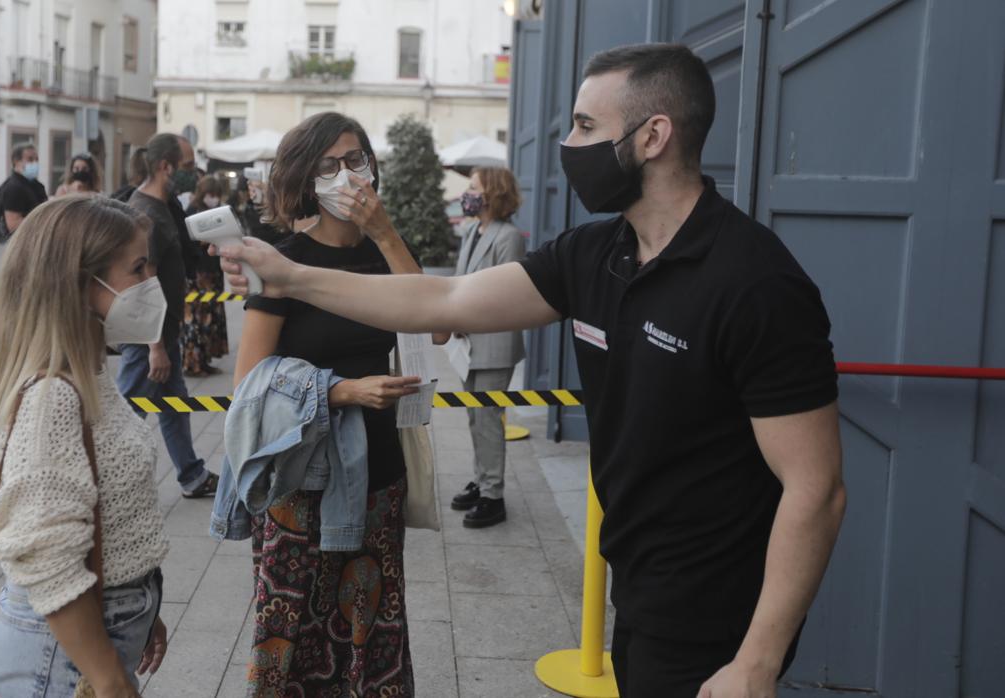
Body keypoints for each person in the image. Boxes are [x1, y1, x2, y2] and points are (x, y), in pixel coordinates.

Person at [219, 44, 847, 698]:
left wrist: (757, 660)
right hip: (637, 585)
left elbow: (816, 487)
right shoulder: (595, 254)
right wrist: (290, 277)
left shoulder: (754, 282)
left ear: (652, 135)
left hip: (715, 604)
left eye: (584, 126)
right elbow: (446, 301)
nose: (567, 144)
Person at [233, 112, 450, 696]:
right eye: (327, 166)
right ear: (306, 178)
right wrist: (339, 391)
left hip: (379, 469)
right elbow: (249, 381)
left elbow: (438, 328)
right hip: (301, 476)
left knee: (373, 620)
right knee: (293, 624)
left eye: (356, 160)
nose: (345, 176)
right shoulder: (282, 262)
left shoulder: (385, 253)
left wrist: (385, 232)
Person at [0, 196, 169, 698]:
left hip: (96, 632)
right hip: (58, 660)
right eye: (138, 268)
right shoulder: (51, 397)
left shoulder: (91, 373)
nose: (151, 283)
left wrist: (146, 606)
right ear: (82, 283)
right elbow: (46, 554)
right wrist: (107, 676)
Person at [121, 133, 217, 499]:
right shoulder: (148, 214)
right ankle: (101, 479)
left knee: (174, 407)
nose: (194, 173)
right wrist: (155, 347)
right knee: (126, 413)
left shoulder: (160, 207)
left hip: (164, 330)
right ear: (166, 167)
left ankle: (191, 474)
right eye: (188, 167)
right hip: (149, 335)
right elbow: (142, 285)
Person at [446, 166, 527, 528]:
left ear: (492, 193)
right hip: (468, 342)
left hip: (494, 343)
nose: (468, 193)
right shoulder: (471, 231)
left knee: (489, 420)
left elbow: (508, 295)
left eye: (474, 187)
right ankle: (482, 480)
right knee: (475, 416)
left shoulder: (509, 237)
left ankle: (494, 495)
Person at [180, 175, 229, 377]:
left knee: (211, 320)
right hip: (198, 273)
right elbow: (187, 242)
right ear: (203, 193)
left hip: (213, 271)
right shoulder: (192, 211)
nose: (214, 199)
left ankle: (206, 360)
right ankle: (193, 364)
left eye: (217, 195)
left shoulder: (215, 211)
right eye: (211, 195)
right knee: (196, 321)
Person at [0, 143, 48, 236]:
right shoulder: (13, 187)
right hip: (22, 243)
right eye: (30, 159)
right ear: (16, 161)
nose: (35, 163)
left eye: (36, 159)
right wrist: (43, 221)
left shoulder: (37, 185)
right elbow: (13, 225)